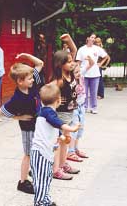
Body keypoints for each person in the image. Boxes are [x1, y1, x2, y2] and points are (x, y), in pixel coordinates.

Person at [0, 53, 43, 194]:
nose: (32, 80)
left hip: (38, 124)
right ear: (20, 81)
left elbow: (40, 63)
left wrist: (26, 55)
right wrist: (19, 117)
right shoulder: (16, 98)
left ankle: (33, 171)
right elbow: (2, 111)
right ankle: (23, 182)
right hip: (28, 128)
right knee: (28, 154)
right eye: (29, 78)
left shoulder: (32, 85)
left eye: (31, 77)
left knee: (37, 150)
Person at [30, 83, 80, 206]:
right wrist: (71, 129)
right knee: (41, 180)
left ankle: (45, 200)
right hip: (41, 153)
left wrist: (63, 137)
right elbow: (57, 122)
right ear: (59, 100)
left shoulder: (46, 112)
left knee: (46, 178)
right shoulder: (48, 112)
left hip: (46, 153)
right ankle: (41, 202)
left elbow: (54, 129)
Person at [50, 34, 80, 180]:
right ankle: (56, 169)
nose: (71, 63)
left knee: (66, 141)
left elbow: (74, 51)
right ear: (60, 64)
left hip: (69, 114)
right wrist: (55, 99)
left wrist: (68, 40)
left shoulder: (70, 74)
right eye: (68, 62)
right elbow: (45, 91)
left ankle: (62, 164)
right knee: (60, 141)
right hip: (60, 116)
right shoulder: (59, 81)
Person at [76, 33, 109, 114]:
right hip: (84, 74)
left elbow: (106, 56)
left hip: (95, 74)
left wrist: (101, 64)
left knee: (94, 92)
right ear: (88, 38)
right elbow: (78, 62)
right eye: (92, 37)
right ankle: (85, 106)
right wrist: (77, 71)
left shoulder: (97, 49)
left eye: (94, 37)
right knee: (84, 92)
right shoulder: (81, 49)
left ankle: (94, 107)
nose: (93, 39)